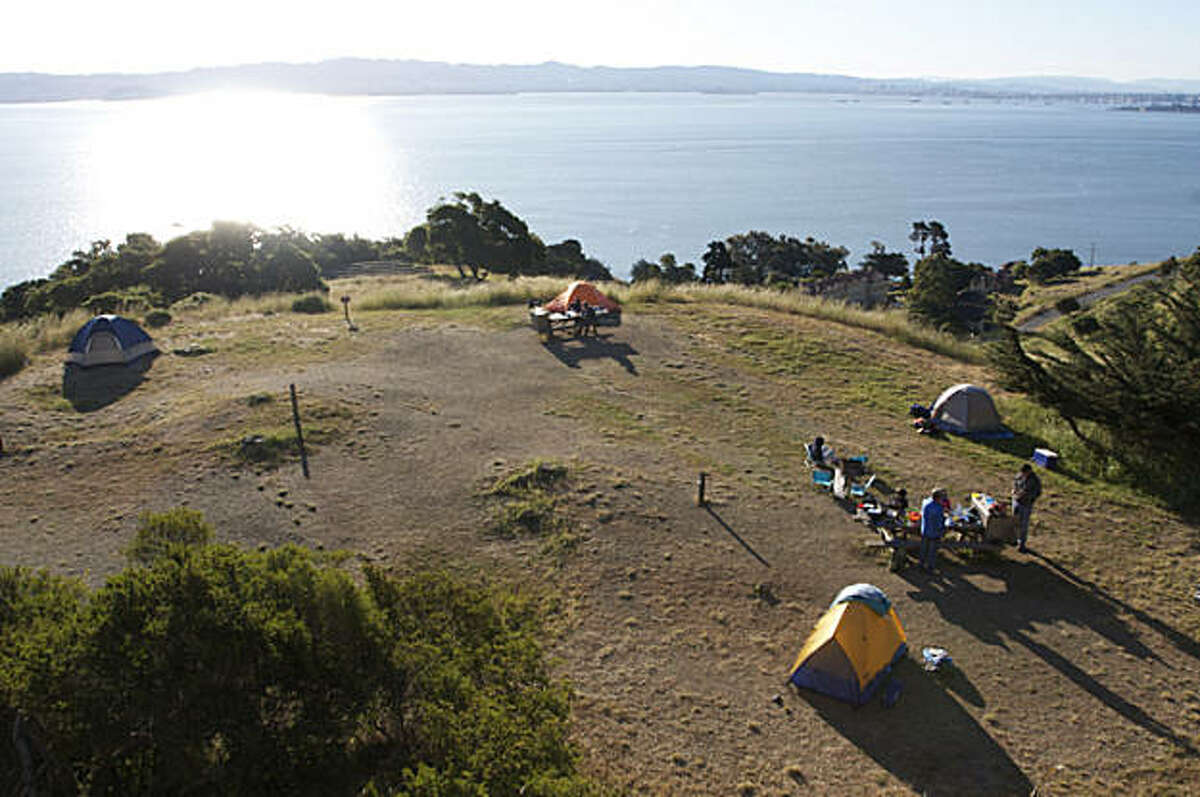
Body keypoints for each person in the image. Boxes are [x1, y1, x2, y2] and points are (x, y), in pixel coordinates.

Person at [1011, 463, 1042, 553]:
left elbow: (1037, 493)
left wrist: (1027, 496)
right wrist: (1014, 491)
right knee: (1014, 521)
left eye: (1025, 473)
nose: (1023, 475)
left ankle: (1022, 544)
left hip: (1026, 505)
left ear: (1029, 471)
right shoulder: (1019, 475)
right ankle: (1013, 539)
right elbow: (1015, 483)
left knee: (1023, 525)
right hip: (1016, 501)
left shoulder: (1035, 481)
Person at [920, 487, 948, 573]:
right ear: (938, 498)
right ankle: (930, 568)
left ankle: (921, 565)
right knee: (932, 551)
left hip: (925, 530)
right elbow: (939, 522)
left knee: (924, 549)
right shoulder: (938, 508)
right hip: (934, 532)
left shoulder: (926, 503)